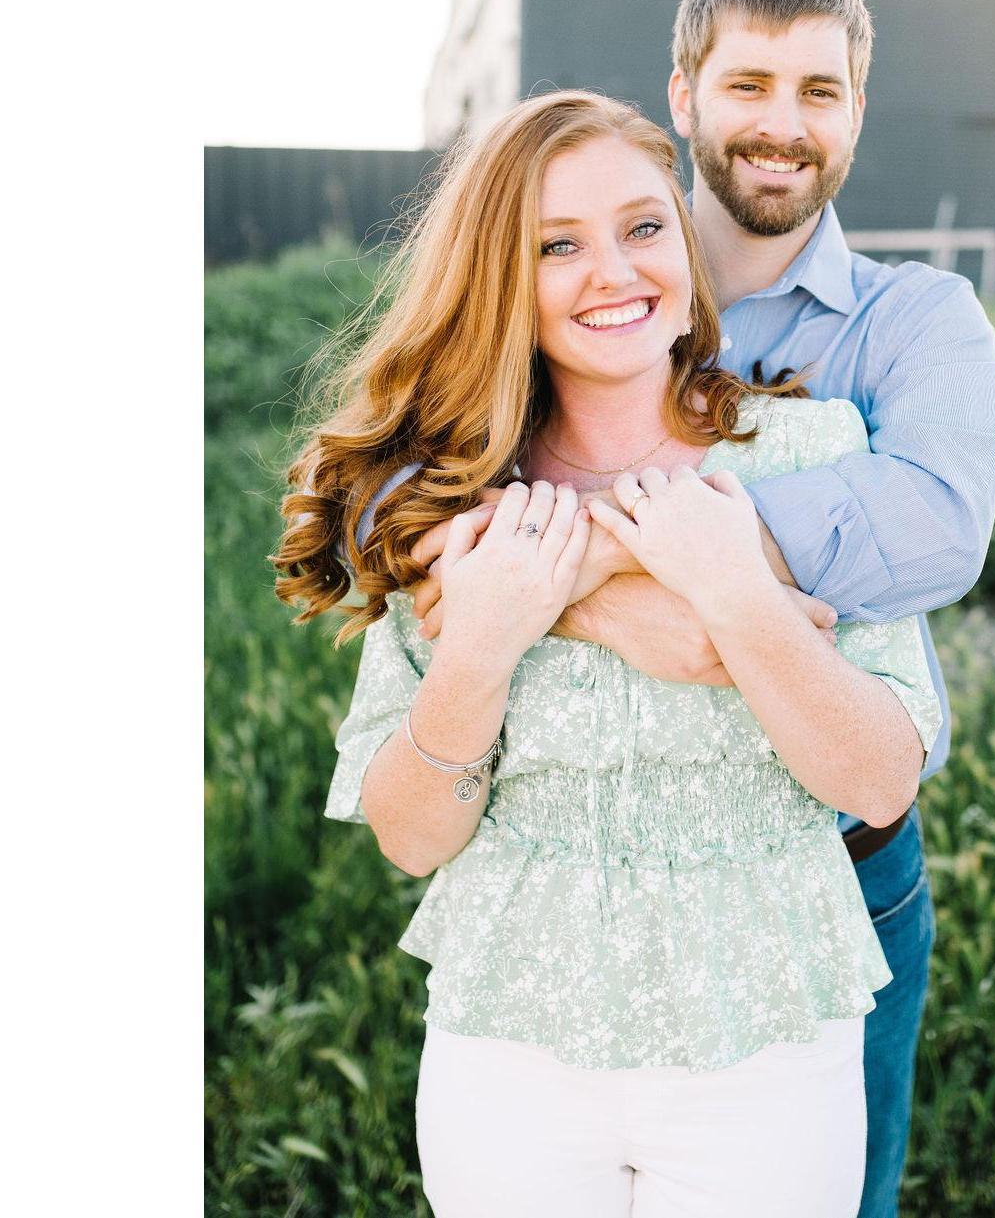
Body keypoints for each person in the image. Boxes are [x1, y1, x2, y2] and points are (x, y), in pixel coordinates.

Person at [403, 0, 995, 1218]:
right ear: (682, 96)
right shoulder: (551, 309)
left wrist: (578, 554)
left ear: (855, 111)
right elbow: (406, 521)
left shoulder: (910, 321)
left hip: (836, 856)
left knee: (848, 1187)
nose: (781, 125)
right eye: (747, 84)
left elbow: (931, 527)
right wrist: (620, 595)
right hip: (559, 875)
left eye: (818, 91)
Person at [272, 89, 944, 1217]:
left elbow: (878, 776)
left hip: (764, 1039)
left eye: (642, 226)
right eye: (557, 245)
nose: (614, 271)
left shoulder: (813, 455)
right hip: (513, 1048)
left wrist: (735, 593)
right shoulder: (450, 506)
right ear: (502, 278)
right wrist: (481, 644)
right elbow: (409, 834)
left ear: (683, 243)